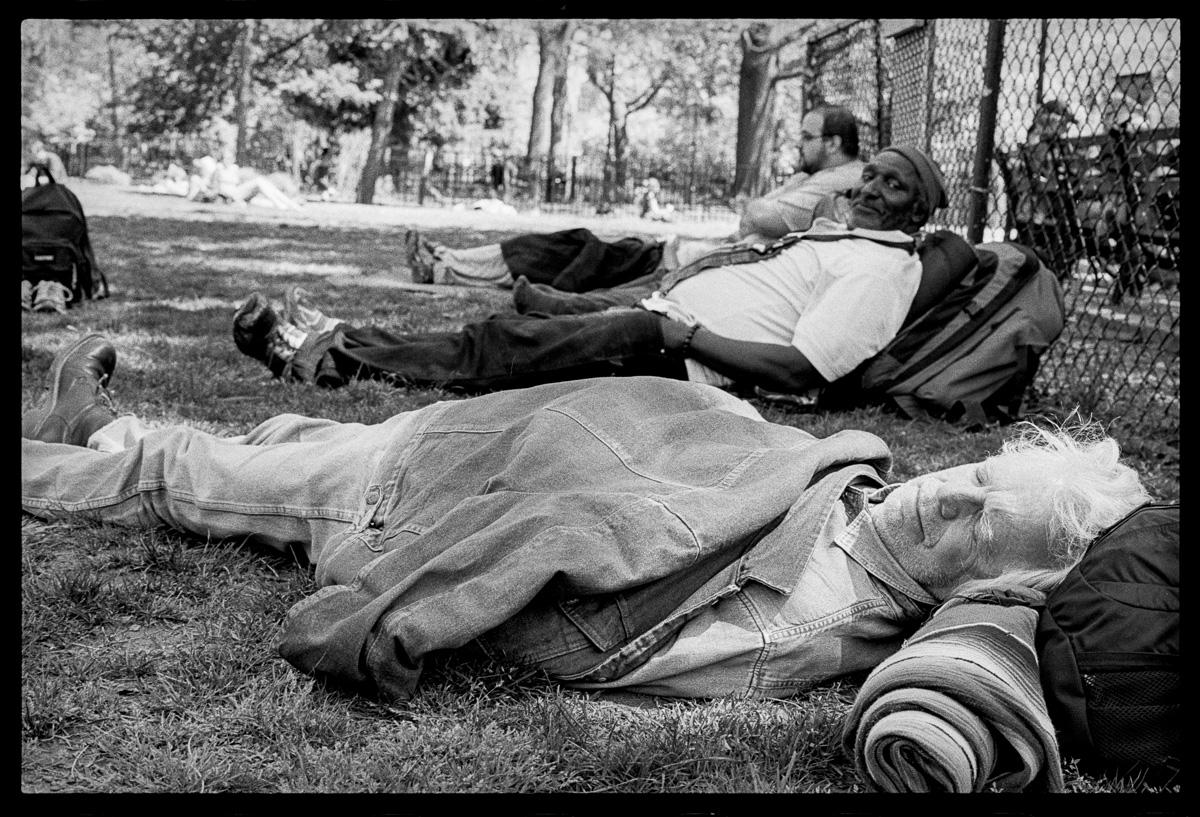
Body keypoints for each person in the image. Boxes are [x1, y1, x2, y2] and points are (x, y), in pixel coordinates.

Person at [21, 334, 1151, 702]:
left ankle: (95, 449)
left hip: (422, 495)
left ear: (974, 588)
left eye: (969, 523)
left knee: (199, 478)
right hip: (486, 436)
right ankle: (127, 436)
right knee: (292, 440)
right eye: (979, 473)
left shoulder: (803, 617)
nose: (943, 491)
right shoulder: (858, 486)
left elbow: (600, 646)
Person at [233, 144, 946, 400]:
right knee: (506, 329)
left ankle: (320, 355)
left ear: (919, 215)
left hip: (683, 357)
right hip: (665, 319)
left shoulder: (878, 273)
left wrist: (683, 333)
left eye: (890, 187)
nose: (865, 190)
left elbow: (803, 372)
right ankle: (336, 339)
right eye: (868, 177)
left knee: (506, 346)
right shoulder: (852, 239)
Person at [405, 105, 867, 290]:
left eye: (806, 137)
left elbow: (763, 216)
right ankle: (447, 264)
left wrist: (753, 212)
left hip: (686, 265)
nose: (797, 145)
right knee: (565, 248)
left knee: (569, 253)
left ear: (832, 142)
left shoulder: (840, 179)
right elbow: (759, 216)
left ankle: (446, 266)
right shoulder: (821, 175)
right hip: (685, 255)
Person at [1008, 100, 1085, 276]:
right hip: (1049, 200)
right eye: (1063, 123)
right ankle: (1060, 260)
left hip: (1038, 198)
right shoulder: (1048, 143)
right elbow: (1066, 172)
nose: (1066, 128)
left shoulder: (1036, 141)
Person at [187, 155, 302, 211]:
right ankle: (286, 205)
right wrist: (204, 190)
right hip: (230, 196)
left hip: (235, 194)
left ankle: (287, 204)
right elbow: (195, 196)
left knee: (262, 185)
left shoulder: (227, 170)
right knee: (260, 182)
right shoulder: (203, 177)